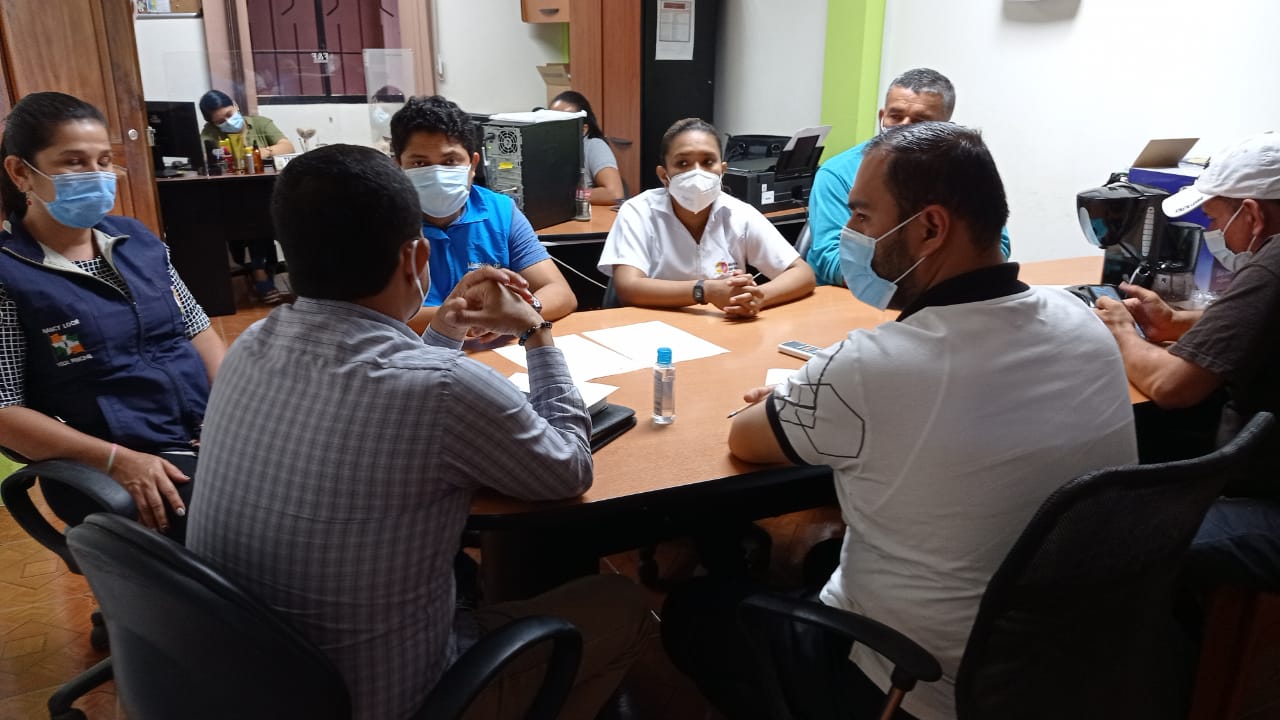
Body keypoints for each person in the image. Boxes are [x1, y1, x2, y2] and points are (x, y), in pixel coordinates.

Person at [662, 122, 1138, 720]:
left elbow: (746, 437)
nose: (849, 234)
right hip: (1063, 665)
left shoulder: (874, 366)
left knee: (695, 612)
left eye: (862, 216)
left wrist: (811, 388)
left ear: (930, 228)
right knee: (822, 559)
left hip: (911, 686)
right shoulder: (1083, 321)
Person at [186, 143, 650, 720]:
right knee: (620, 602)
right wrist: (536, 331)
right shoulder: (444, 389)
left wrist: (446, 329)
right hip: (391, 698)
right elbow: (569, 469)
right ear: (416, 257)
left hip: (252, 680)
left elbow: (393, 406)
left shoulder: (252, 342)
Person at [0, 91, 225, 534]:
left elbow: (197, 329)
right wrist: (115, 460)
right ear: (21, 171)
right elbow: (4, 409)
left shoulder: (136, 241)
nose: (96, 174)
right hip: (114, 460)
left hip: (204, 432)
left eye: (104, 161)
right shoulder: (9, 274)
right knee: (245, 526)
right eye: (74, 162)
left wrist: (229, 413)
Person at [1094, 131, 1280, 590]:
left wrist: (1119, 329)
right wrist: (1175, 322)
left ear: (1252, 214)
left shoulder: (1272, 265)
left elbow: (1172, 387)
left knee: (1113, 540)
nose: (1213, 232)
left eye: (1214, 219)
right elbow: (1257, 323)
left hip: (1269, 502)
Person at [807, 68, 1011, 288]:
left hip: (947, 292)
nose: (903, 128)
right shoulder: (838, 173)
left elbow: (995, 246)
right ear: (882, 117)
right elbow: (831, 258)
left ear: (946, 127)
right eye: (895, 116)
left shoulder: (965, 170)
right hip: (858, 294)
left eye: (920, 121)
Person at [390, 95, 577, 333]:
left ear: (473, 165)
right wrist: (472, 318)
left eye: (450, 161)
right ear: (398, 166)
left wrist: (522, 312)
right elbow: (375, 316)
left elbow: (561, 293)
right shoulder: (382, 221)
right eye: (419, 164)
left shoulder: (500, 211)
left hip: (492, 349)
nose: (437, 174)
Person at [598, 117, 816, 316]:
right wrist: (704, 290)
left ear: (722, 170)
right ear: (664, 175)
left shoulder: (739, 213)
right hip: (653, 326)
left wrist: (757, 297)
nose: (697, 172)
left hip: (720, 328)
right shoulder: (638, 211)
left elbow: (802, 274)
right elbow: (628, 287)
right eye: (683, 164)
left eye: (708, 162)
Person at [198, 89, 296, 304]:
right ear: (212, 123)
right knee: (250, 215)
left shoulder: (260, 123)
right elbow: (203, 156)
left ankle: (261, 271)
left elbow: (287, 146)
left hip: (268, 191)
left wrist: (257, 153)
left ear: (235, 105)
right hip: (233, 195)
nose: (227, 121)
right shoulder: (210, 133)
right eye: (220, 121)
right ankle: (259, 270)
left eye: (229, 114)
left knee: (262, 214)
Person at [549, 90, 624, 205]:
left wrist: (571, 194)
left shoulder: (594, 146)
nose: (554, 129)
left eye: (562, 123)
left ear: (583, 129)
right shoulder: (545, 149)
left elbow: (614, 193)